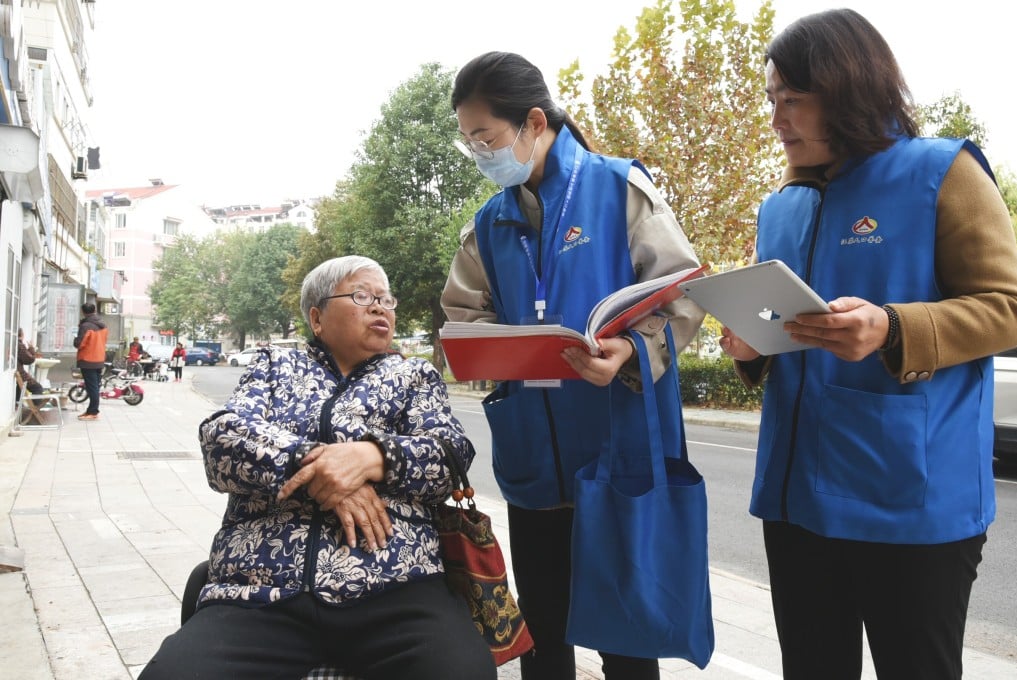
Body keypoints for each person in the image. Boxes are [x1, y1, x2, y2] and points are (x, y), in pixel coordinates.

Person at [717, 10, 1017, 680]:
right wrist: (749, 348)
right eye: (772, 100)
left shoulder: (942, 172)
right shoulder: (781, 206)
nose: (777, 119)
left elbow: (1009, 307)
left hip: (911, 501)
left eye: (793, 100)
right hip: (797, 502)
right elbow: (781, 327)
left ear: (849, 89)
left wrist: (894, 328)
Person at [441, 52, 705, 680]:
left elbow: (682, 295)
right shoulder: (491, 222)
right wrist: (487, 350)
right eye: (470, 141)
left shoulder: (619, 188)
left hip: (616, 444)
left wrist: (633, 350)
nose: (480, 153)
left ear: (533, 122)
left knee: (627, 635)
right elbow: (460, 314)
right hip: (534, 451)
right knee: (543, 632)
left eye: (488, 137)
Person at [139, 256, 496, 680]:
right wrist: (318, 466)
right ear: (317, 317)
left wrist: (372, 457)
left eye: (386, 299)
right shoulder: (275, 366)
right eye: (362, 296)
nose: (381, 307)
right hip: (262, 591)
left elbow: (449, 453)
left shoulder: (414, 375)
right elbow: (222, 440)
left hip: (397, 589)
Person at [73, 302, 108, 421]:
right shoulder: (102, 325)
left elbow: (79, 343)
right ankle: (90, 410)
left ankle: (93, 412)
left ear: (83, 311)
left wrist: (75, 339)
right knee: (95, 387)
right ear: (94, 310)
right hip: (99, 358)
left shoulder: (86, 326)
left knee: (92, 387)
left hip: (88, 359)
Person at [16, 328, 44, 402]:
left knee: (19, 388)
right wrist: (31, 348)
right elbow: (29, 359)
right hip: (21, 373)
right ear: (22, 335)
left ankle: (18, 403)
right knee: (38, 388)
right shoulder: (19, 345)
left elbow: (23, 356)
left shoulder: (14, 343)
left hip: (18, 372)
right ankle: (35, 407)